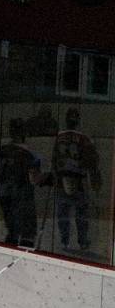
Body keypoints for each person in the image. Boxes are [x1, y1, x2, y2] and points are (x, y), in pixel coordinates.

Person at [0, 118, 42, 246]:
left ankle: (14, 243)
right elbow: (34, 179)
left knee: (13, 230)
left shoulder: (0, 150)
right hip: (20, 196)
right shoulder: (31, 154)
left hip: (7, 196)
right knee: (25, 231)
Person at [52, 107, 100, 252]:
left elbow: (54, 159)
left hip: (62, 179)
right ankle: (83, 241)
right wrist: (94, 176)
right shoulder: (84, 138)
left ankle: (64, 241)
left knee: (63, 213)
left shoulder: (59, 137)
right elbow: (93, 160)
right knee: (81, 213)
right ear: (78, 121)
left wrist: (55, 174)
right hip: (79, 180)